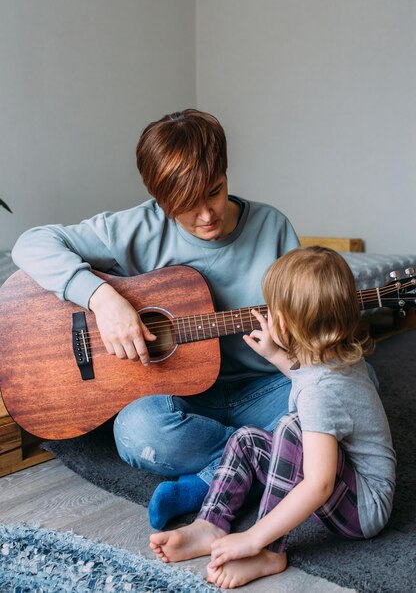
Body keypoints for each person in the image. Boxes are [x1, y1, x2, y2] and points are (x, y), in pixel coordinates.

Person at [11, 108, 300, 529]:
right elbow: (31, 244)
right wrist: (103, 299)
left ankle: (207, 479)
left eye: (215, 192)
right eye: (186, 205)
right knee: (137, 432)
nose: (206, 216)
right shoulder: (135, 227)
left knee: (350, 383)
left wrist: (289, 346)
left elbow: (310, 325)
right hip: (178, 399)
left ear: (225, 172)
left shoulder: (273, 227)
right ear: (160, 200)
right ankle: (260, 461)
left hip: (263, 388)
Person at [149, 246, 396, 590]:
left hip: (365, 507)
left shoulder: (321, 391)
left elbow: (319, 483)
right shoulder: (333, 355)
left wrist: (253, 537)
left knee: (291, 428)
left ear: (281, 322)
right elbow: (306, 380)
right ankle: (211, 523)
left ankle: (269, 551)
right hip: (346, 481)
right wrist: (276, 355)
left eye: (272, 310)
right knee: (247, 439)